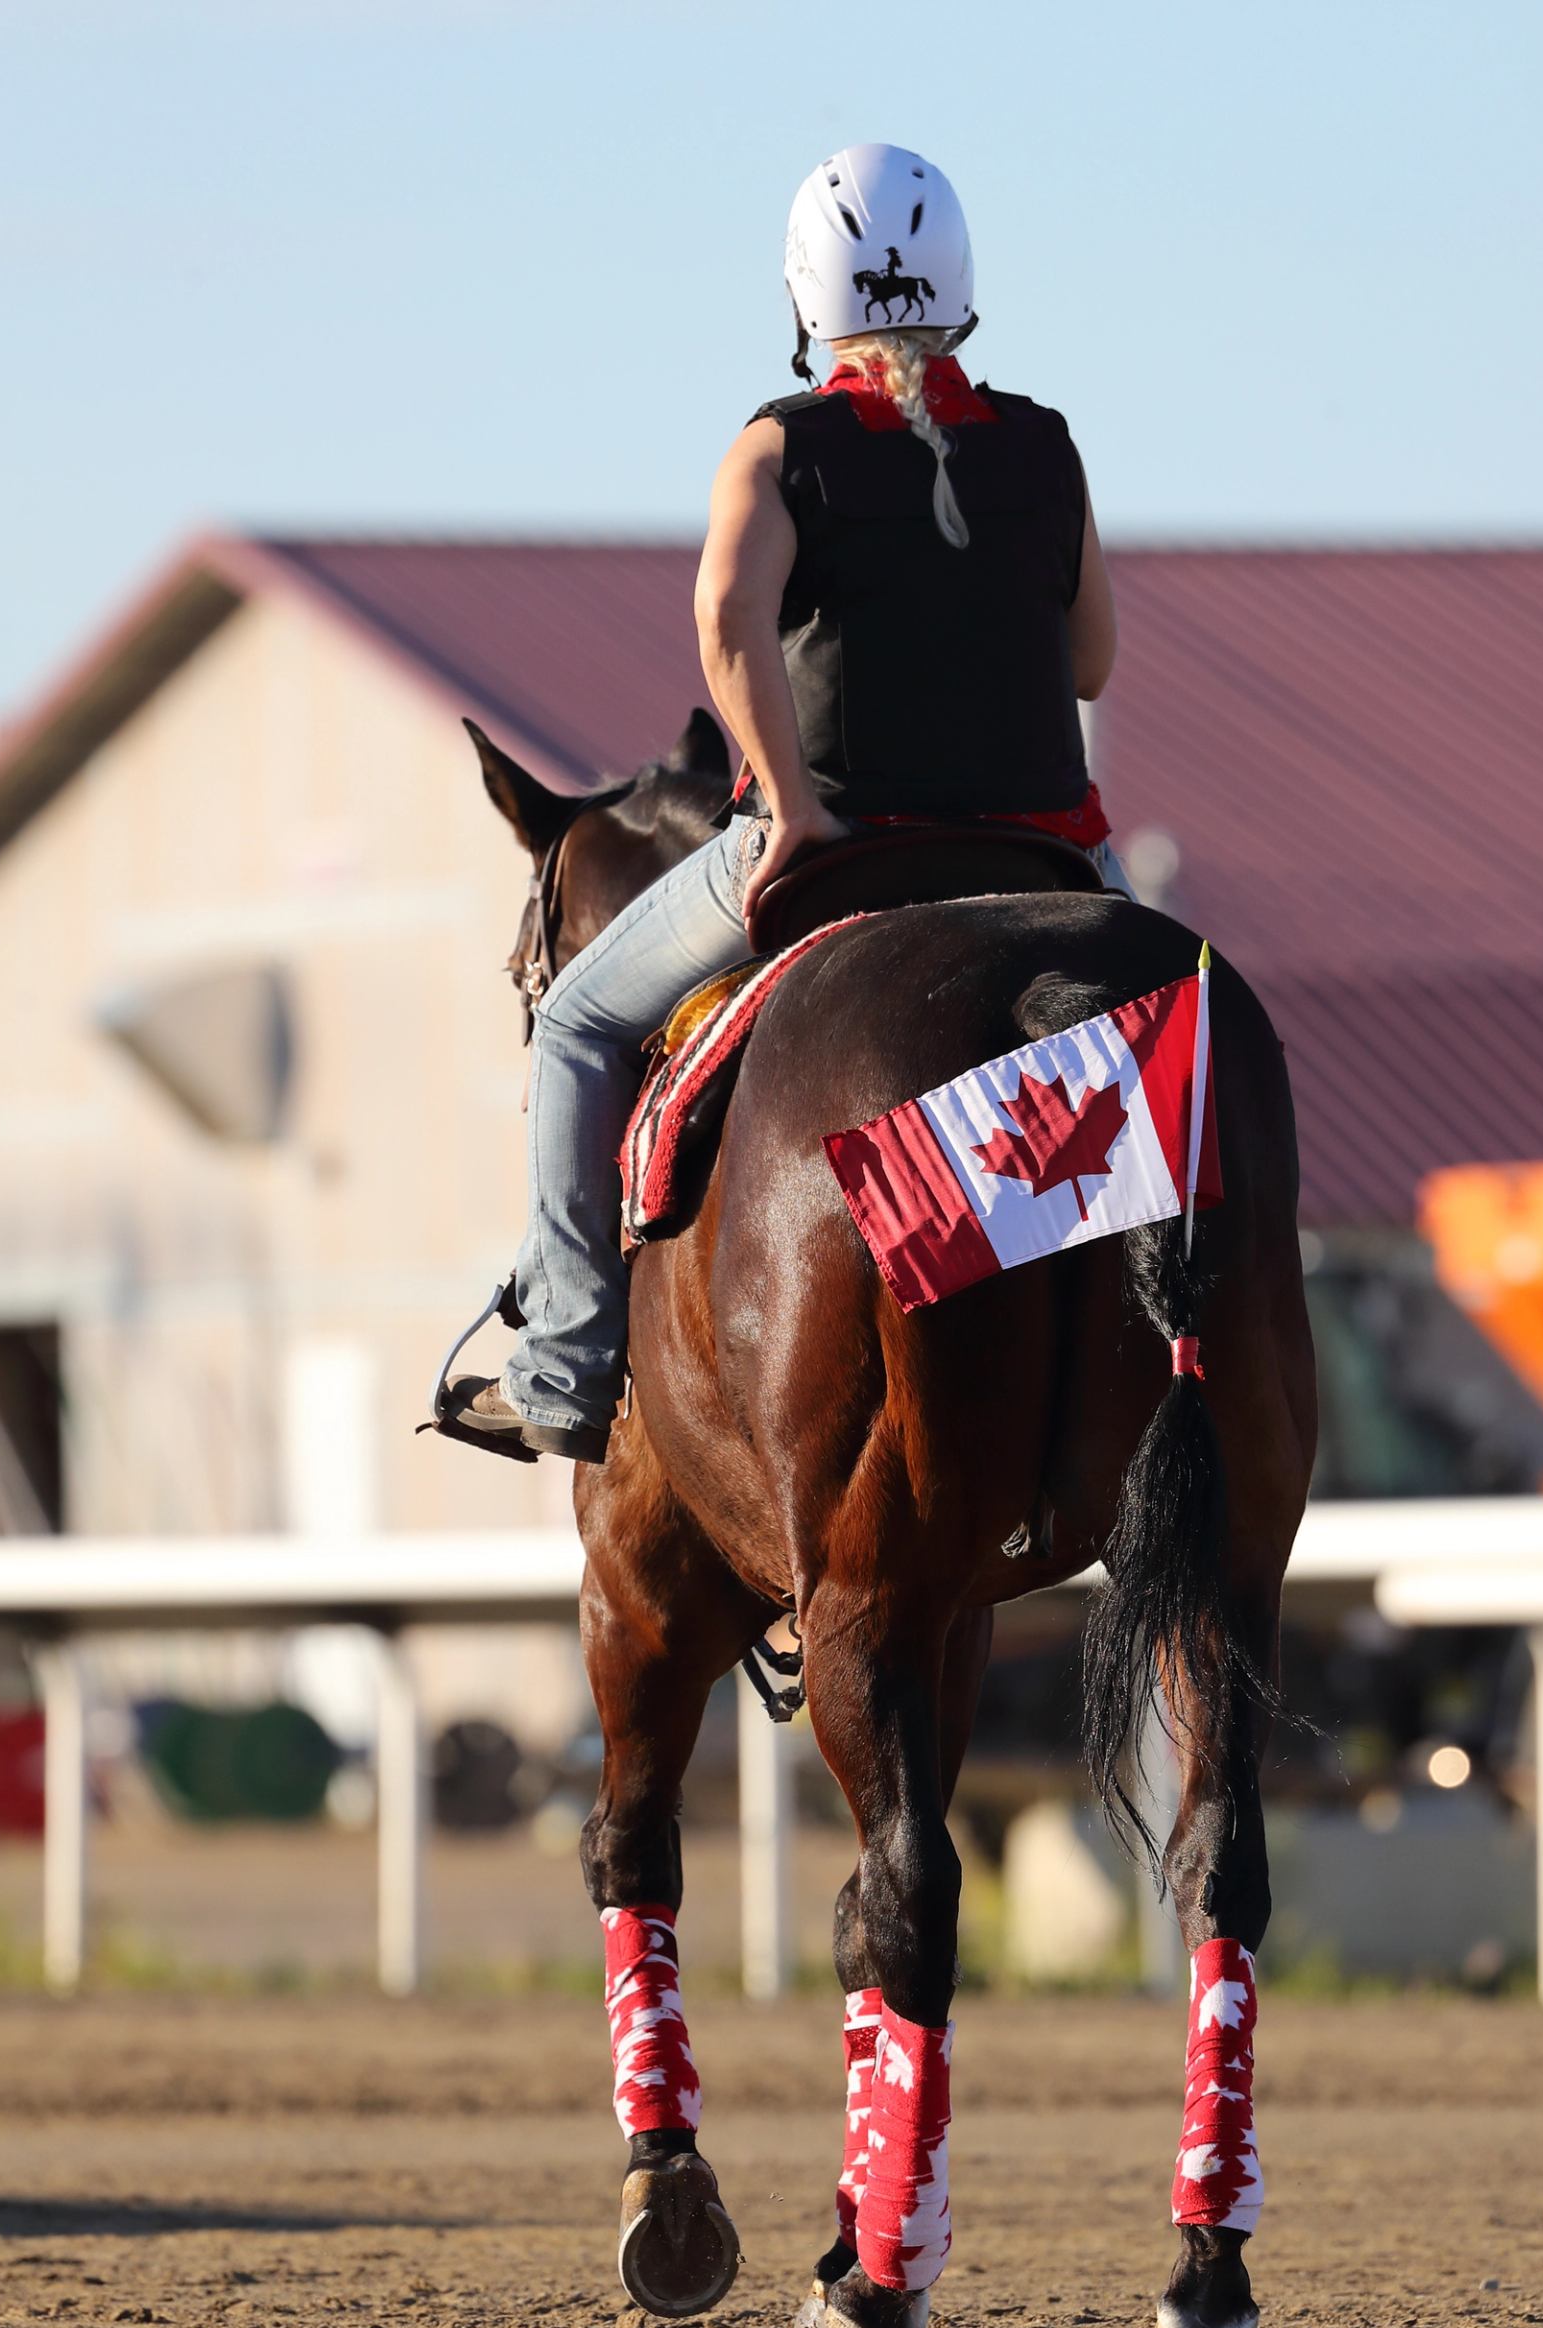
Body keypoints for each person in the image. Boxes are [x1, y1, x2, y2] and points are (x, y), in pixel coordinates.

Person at [447, 142, 1128, 1465]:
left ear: (808, 298)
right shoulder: (1047, 449)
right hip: (1050, 865)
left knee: (581, 1021)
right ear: (960, 285)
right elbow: (1089, 661)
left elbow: (724, 618)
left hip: (848, 846)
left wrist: (799, 811)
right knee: (1181, 1030)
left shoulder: (778, 448)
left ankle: (569, 1365)